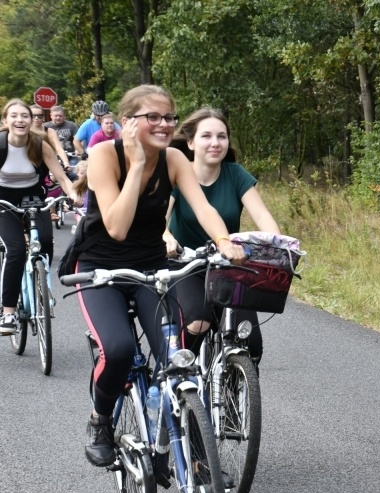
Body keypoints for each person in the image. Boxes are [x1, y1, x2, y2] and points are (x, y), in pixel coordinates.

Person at [76, 85, 246, 467]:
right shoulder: (105, 155)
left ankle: (189, 447)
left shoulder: (174, 159)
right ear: (126, 123)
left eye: (169, 117)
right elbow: (117, 227)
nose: (164, 124)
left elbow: (202, 208)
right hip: (100, 269)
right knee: (118, 349)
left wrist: (223, 239)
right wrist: (136, 165)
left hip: (151, 269)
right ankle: (100, 419)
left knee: (179, 358)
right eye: (152, 117)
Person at [163, 107, 281, 368]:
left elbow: (262, 217)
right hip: (186, 264)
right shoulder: (177, 173)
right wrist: (168, 238)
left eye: (222, 136)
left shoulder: (235, 174)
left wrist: (280, 245)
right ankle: (180, 370)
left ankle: (237, 399)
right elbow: (161, 220)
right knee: (198, 321)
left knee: (250, 341)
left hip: (228, 264)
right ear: (191, 142)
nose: (215, 143)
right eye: (207, 136)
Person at [0, 99, 77, 333]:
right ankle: (8, 313)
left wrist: (73, 194)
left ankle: (41, 282)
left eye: (24, 116)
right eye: (14, 116)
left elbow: (61, 177)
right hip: (3, 201)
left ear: (31, 120)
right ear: (5, 121)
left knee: (44, 241)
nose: (20, 120)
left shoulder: (38, 144)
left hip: (33, 198)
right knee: (15, 250)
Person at [43, 105, 80, 173]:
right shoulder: (45, 127)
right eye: (56, 116)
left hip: (70, 156)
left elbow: (77, 139)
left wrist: (77, 149)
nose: (58, 118)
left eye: (60, 116)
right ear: (51, 116)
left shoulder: (71, 125)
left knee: (74, 173)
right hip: (52, 157)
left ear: (64, 116)